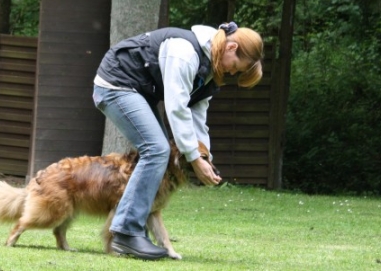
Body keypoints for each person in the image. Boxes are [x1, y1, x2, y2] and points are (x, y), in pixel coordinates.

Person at [92, 22, 263, 260]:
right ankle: (126, 232)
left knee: (157, 153)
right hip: (115, 85)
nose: (232, 73)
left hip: (137, 92)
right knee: (157, 150)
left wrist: (205, 158)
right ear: (231, 47)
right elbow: (176, 109)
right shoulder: (185, 52)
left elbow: (197, 118)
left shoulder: (209, 72)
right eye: (235, 67)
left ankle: (134, 230)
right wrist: (193, 157)